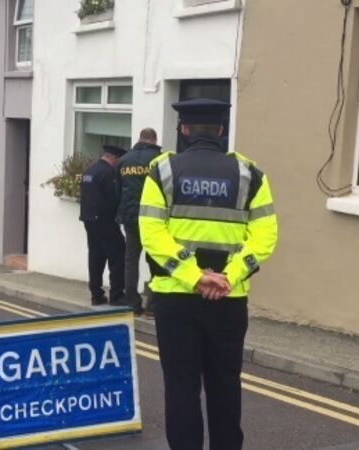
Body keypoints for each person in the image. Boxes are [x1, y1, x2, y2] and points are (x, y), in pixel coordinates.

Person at [139, 99, 278, 450]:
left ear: (184, 130)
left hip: (174, 298)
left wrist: (194, 276)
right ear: (221, 130)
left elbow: (151, 233)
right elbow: (265, 236)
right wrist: (227, 276)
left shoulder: (162, 171)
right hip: (228, 299)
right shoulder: (250, 174)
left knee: (181, 387)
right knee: (225, 384)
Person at [116, 128, 162, 316]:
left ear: (140, 138)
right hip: (154, 219)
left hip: (130, 218)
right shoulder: (160, 160)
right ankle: (153, 305)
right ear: (154, 140)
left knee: (131, 261)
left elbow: (118, 190)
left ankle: (132, 304)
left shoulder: (124, 160)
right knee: (156, 261)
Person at [80, 144, 128, 306]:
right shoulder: (109, 173)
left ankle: (96, 294)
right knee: (118, 256)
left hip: (89, 220)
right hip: (106, 222)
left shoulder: (89, 171)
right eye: (119, 159)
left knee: (96, 257)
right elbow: (114, 197)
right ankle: (117, 295)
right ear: (113, 157)